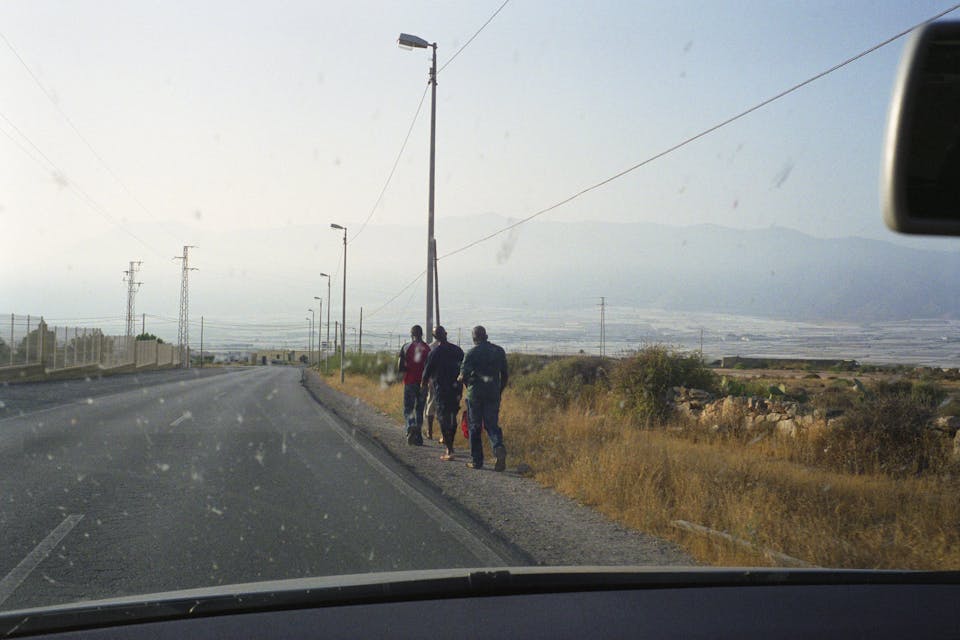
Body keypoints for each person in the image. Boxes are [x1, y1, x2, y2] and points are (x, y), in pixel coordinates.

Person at [459, 325, 509, 471]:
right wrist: (499, 391)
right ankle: (498, 447)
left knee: (474, 427)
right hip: (493, 393)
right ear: (486, 336)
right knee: (492, 425)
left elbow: (463, 375)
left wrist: (463, 381)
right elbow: (505, 375)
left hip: (475, 394)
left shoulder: (471, 353)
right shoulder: (498, 351)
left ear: (474, 338)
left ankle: (477, 461)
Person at [420, 326, 464, 461]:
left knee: (443, 418)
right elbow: (464, 369)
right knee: (452, 416)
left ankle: (449, 449)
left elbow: (426, 372)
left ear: (434, 337)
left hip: (442, 390)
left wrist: (423, 386)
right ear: (446, 333)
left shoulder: (435, 353)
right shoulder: (458, 350)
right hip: (456, 389)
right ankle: (449, 444)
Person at [397, 325, 431, 445]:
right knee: (420, 409)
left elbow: (400, 366)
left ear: (412, 335)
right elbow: (430, 367)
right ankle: (418, 436)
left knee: (408, 408)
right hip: (423, 383)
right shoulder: (427, 348)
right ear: (422, 334)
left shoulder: (406, 347)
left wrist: (404, 372)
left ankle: (410, 426)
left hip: (410, 382)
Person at [423, 333, 441, 440]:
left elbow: (426, 366)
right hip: (440, 382)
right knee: (440, 406)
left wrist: (425, 379)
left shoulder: (430, 348)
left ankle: (430, 431)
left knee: (431, 405)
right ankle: (434, 432)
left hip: (434, 381)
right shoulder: (448, 348)